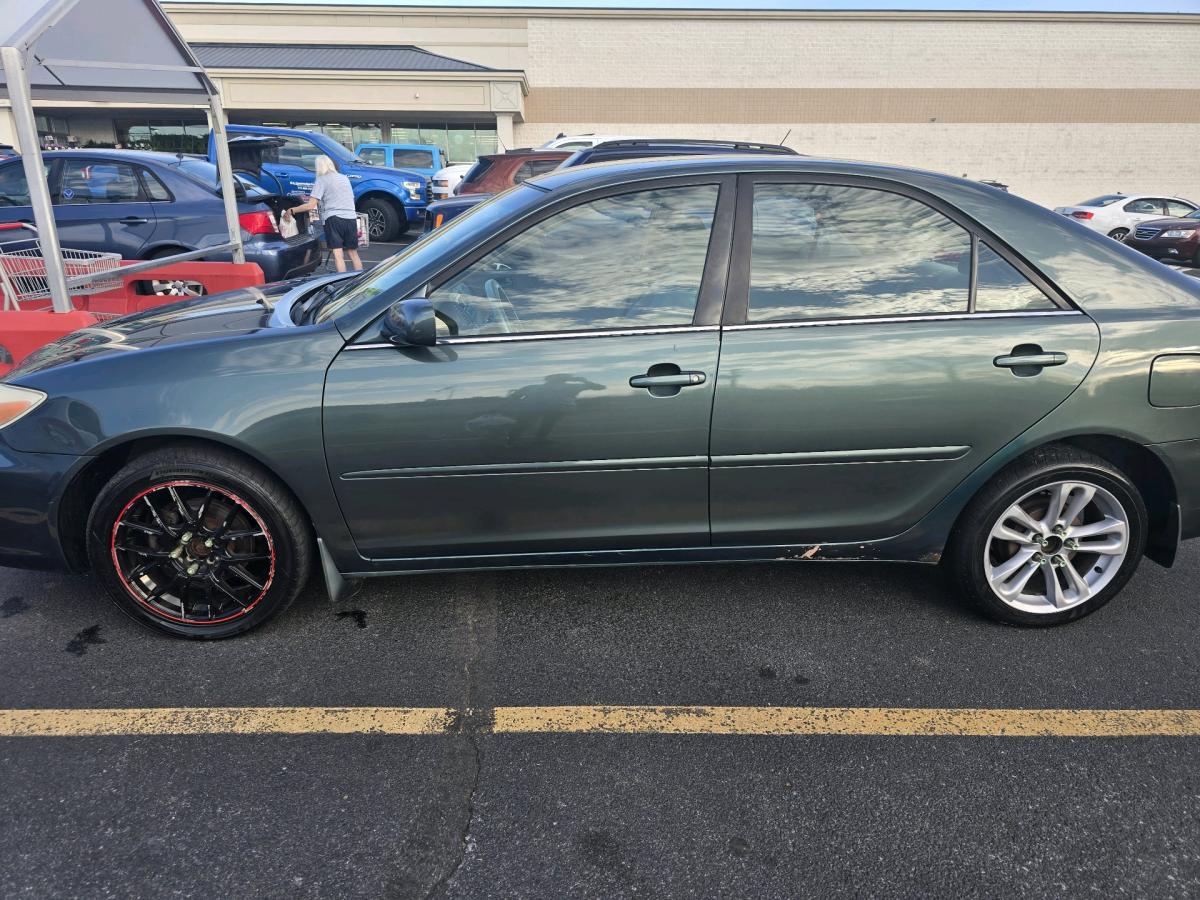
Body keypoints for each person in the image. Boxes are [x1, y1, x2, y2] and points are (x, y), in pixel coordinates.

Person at [284, 155, 362, 273]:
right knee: (353, 253)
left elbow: (310, 205)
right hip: (351, 217)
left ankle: (342, 281)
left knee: (338, 254)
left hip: (334, 219)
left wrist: (292, 210)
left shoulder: (322, 180)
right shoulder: (344, 178)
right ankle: (360, 280)